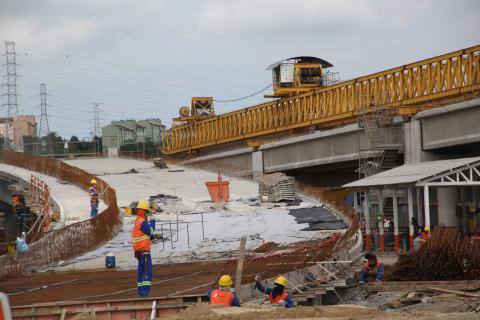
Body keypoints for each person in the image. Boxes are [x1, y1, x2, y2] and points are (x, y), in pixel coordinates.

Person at [131, 200, 156, 296]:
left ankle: (141, 291)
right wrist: (153, 220)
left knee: (141, 272)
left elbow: (143, 234)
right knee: (147, 272)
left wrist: (151, 237)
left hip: (139, 251)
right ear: (144, 211)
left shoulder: (137, 221)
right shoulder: (142, 221)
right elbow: (150, 230)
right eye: (147, 212)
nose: (147, 214)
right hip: (144, 251)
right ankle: (144, 292)